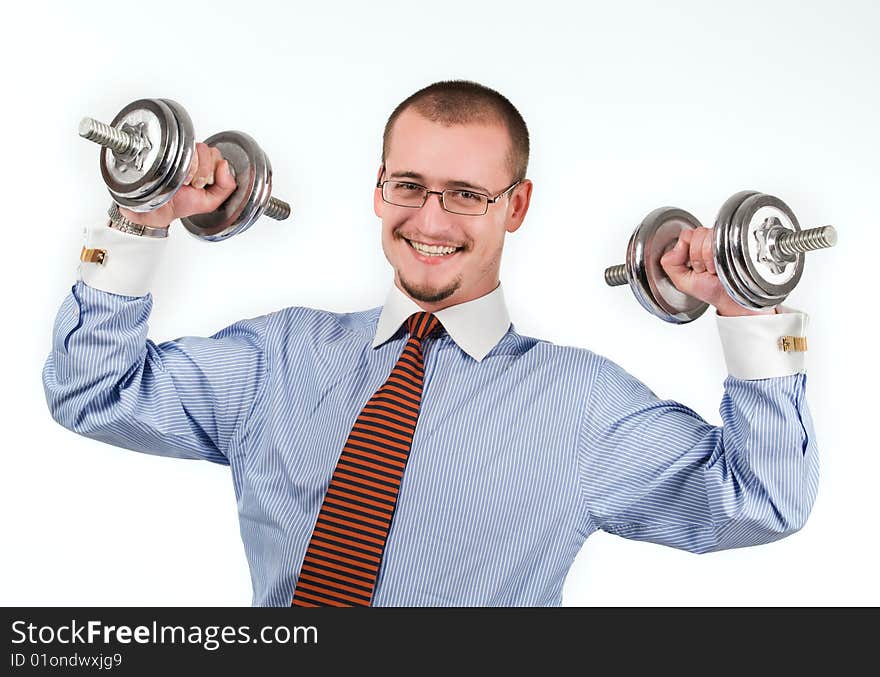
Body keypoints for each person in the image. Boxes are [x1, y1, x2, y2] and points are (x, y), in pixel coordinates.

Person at [42, 80, 818, 607]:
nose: (431, 221)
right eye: (408, 185)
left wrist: (748, 307)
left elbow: (765, 500)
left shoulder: (582, 406)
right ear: (379, 187)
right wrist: (142, 213)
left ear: (517, 207)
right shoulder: (278, 360)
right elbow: (93, 392)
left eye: (469, 195)